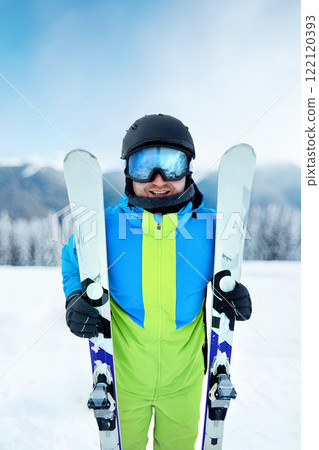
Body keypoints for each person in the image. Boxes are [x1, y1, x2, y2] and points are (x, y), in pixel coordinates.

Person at [61, 114, 252, 450]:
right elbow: (72, 259)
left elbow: (226, 268)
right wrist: (74, 296)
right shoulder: (104, 228)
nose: (158, 179)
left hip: (185, 382)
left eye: (172, 165)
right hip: (123, 381)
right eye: (144, 165)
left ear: (188, 169)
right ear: (128, 172)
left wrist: (234, 293)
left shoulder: (213, 228)